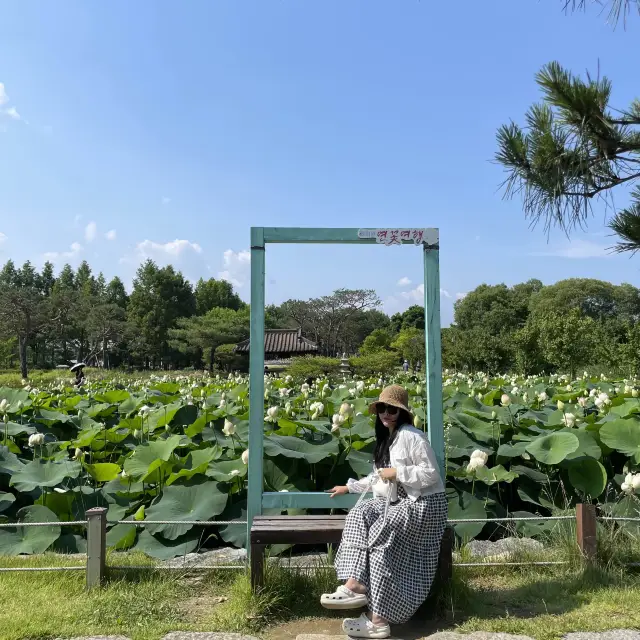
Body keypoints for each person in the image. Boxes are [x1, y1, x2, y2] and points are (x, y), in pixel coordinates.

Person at [320, 384, 447, 638]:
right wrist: (350, 486)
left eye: (392, 409)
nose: (386, 414)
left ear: (402, 413)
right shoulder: (388, 438)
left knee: (380, 534)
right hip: (401, 501)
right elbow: (379, 477)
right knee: (360, 513)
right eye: (382, 409)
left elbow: (431, 474)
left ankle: (378, 620)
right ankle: (354, 583)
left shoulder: (412, 436)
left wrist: (398, 473)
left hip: (425, 505)